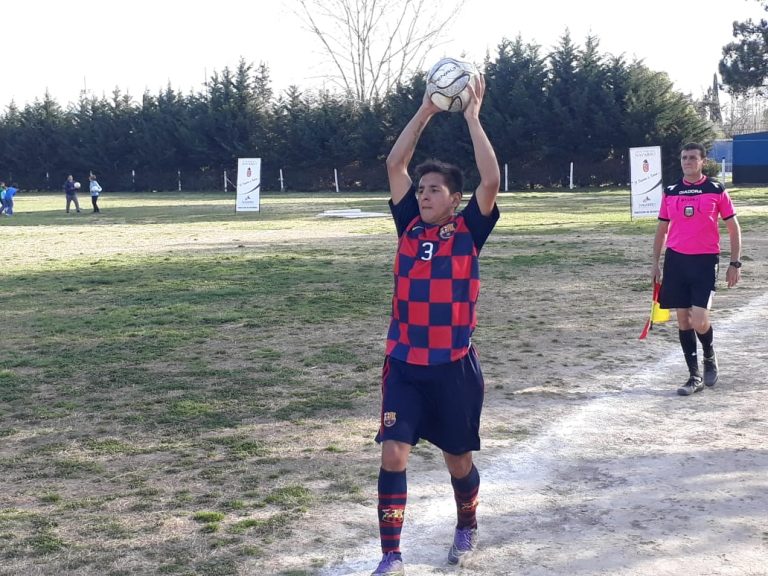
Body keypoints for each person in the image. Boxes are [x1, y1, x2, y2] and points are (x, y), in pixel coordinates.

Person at [371, 73, 500, 576]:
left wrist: (472, 117)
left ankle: (467, 523)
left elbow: (490, 181)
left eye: (434, 190)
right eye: (421, 189)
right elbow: (394, 163)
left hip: (453, 367)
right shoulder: (407, 225)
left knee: (458, 461)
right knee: (394, 453)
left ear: (454, 198)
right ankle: (391, 556)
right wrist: (426, 109)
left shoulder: (468, 230)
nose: (423, 195)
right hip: (404, 363)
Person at [651, 142, 742, 396]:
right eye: (684, 158)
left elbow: (734, 228)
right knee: (683, 319)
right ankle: (694, 376)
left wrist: (734, 263)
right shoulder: (671, 192)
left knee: (700, 320)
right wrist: (655, 263)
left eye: (692, 158)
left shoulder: (715, 189)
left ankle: (709, 354)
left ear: (703, 161)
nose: (687, 162)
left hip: (705, 261)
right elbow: (661, 230)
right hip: (676, 261)